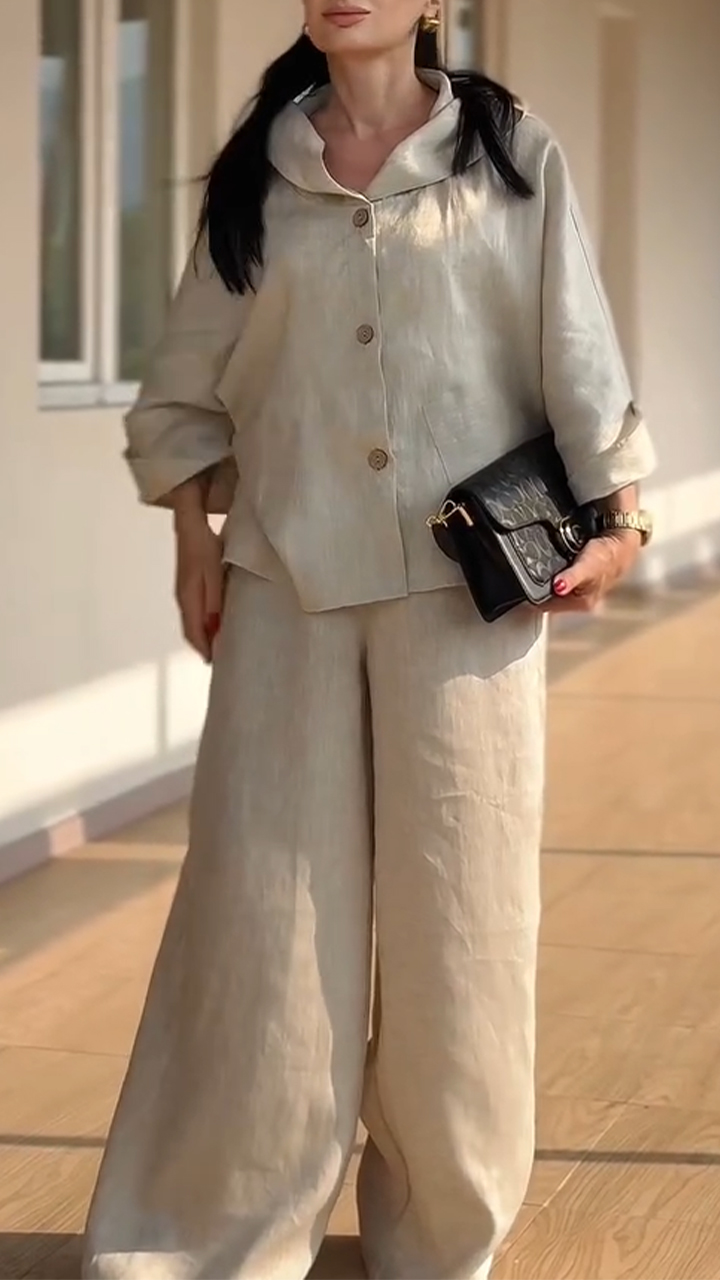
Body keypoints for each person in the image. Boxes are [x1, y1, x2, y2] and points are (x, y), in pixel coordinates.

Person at [83, 2, 656, 1277]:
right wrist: (192, 544)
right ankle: (215, 1230)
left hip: (468, 600)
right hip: (283, 587)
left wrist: (621, 520)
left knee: (462, 920)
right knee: (263, 920)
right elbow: (186, 387)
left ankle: (441, 1236)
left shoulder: (511, 157)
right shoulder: (257, 178)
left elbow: (576, 345)